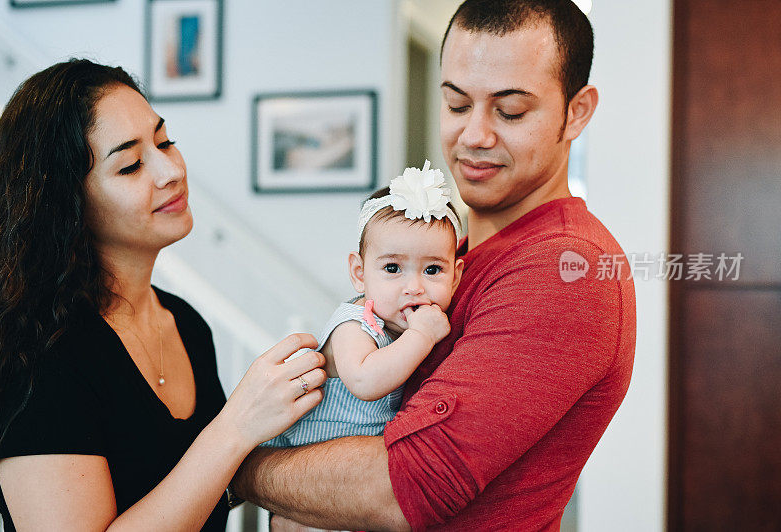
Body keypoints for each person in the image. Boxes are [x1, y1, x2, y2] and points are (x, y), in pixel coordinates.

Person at [232, 1, 637, 530]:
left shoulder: (563, 269)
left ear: (576, 112)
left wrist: (235, 464)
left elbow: (404, 489)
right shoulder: (451, 259)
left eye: (510, 111)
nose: (474, 136)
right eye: (455, 104)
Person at [0, 59, 326, 531]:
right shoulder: (42, 351)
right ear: (66, 202)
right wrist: (235, 428)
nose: (170, 170)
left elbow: (197, 496)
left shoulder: (184, 322)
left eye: (164, 142)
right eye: (130, 165)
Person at [263, 161, 463, 448]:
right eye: (393, 268)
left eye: (432, 270)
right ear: (360, 275)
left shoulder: (400, 324)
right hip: (307, 451)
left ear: (455, 277)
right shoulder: (354, 325)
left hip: (355, 453)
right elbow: (364, 382)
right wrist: (422, 336)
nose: (415, 288)